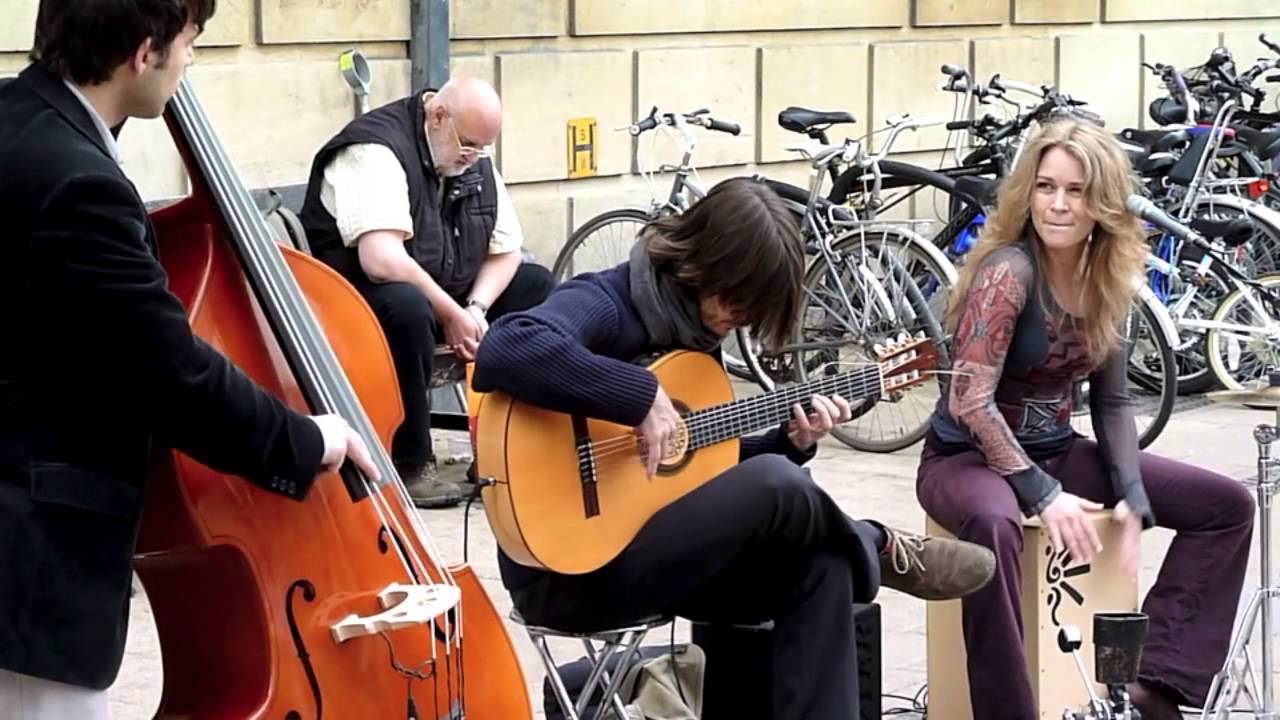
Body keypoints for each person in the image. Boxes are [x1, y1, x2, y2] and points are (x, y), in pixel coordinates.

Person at [471, 177, 997, 720]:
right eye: (738, 299)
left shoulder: (695, 341)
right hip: (571, 572)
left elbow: (697, 470)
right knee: (777, 484)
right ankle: (875, 543)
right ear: (704, 261)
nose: (738, 318)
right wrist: (640, 395)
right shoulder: (607, 300)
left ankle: (855, 551)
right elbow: (506, 348)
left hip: (660, 559)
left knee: (820, 563)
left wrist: (789, 442)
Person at [1, 0, 383, 717]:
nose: (192, 60)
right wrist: (308, 439)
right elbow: (172, 374)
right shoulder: (79, 182)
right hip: (29, 575)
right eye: (191, 40)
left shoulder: (17, 123)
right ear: (143, 52)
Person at [916, 119, 1256, 720]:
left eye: (1075, 191)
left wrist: (1129, 496)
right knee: (995, 528)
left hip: (1053, 447)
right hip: (963, 458)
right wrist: (1043, 494)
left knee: (1226, 506)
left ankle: (1157, 682)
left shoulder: (1108, 277)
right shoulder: (1008, 271)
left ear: (1102, 203)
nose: (1058, 204)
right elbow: (970, 401)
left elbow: (1113, 401)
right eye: (1046, 187)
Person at [300, 76, 555, 509]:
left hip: (446, 289)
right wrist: (452, 312)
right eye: (468, 145)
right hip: (357, 298)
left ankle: (506, 446)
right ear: (438, 116)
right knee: (408, 307)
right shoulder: (374, 149)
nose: (472, 158)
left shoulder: (470, 158)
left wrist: (475, 308)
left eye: (482, 149)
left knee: (538, 286)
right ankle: (412, 462)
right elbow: (380, 259)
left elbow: (506, 250)